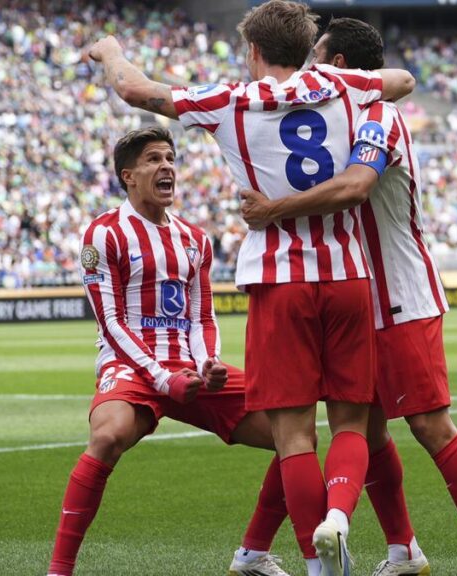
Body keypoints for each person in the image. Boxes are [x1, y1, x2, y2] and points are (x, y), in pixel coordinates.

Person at [88, 3, 415, 574]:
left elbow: (136, 91)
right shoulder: (343, 84)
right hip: (346, 275)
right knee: (350, 421)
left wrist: (110, 50)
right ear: (304, 47)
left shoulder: (231, 100)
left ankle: (316, 565)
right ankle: (340, 514)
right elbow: (402, 81)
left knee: (292, 437)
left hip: (278, 278)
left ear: (255, 52)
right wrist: (343, 78)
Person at [240, 17, 457, 576]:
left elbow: (355, 187)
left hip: (400, 297)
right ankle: (402, 549)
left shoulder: (378, 117)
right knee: (364, 431)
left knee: (430, 425)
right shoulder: (334, 115)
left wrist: (269, 212)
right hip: (356, 297)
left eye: (316, 56)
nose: (306, 68)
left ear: (339, 65)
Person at [47, 126, 292, 576]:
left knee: (294, 435)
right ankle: (59, 570)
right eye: (153, 160)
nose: (166, 168)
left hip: (188, 368)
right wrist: (162, 379)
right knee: (106, 437)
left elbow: (202, 316)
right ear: (129, 176)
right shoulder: (104, 234)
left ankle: (253, 555)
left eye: (170, 159)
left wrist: (208, 363)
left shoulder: (194, 239)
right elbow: (111, 321)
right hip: (132, 365)